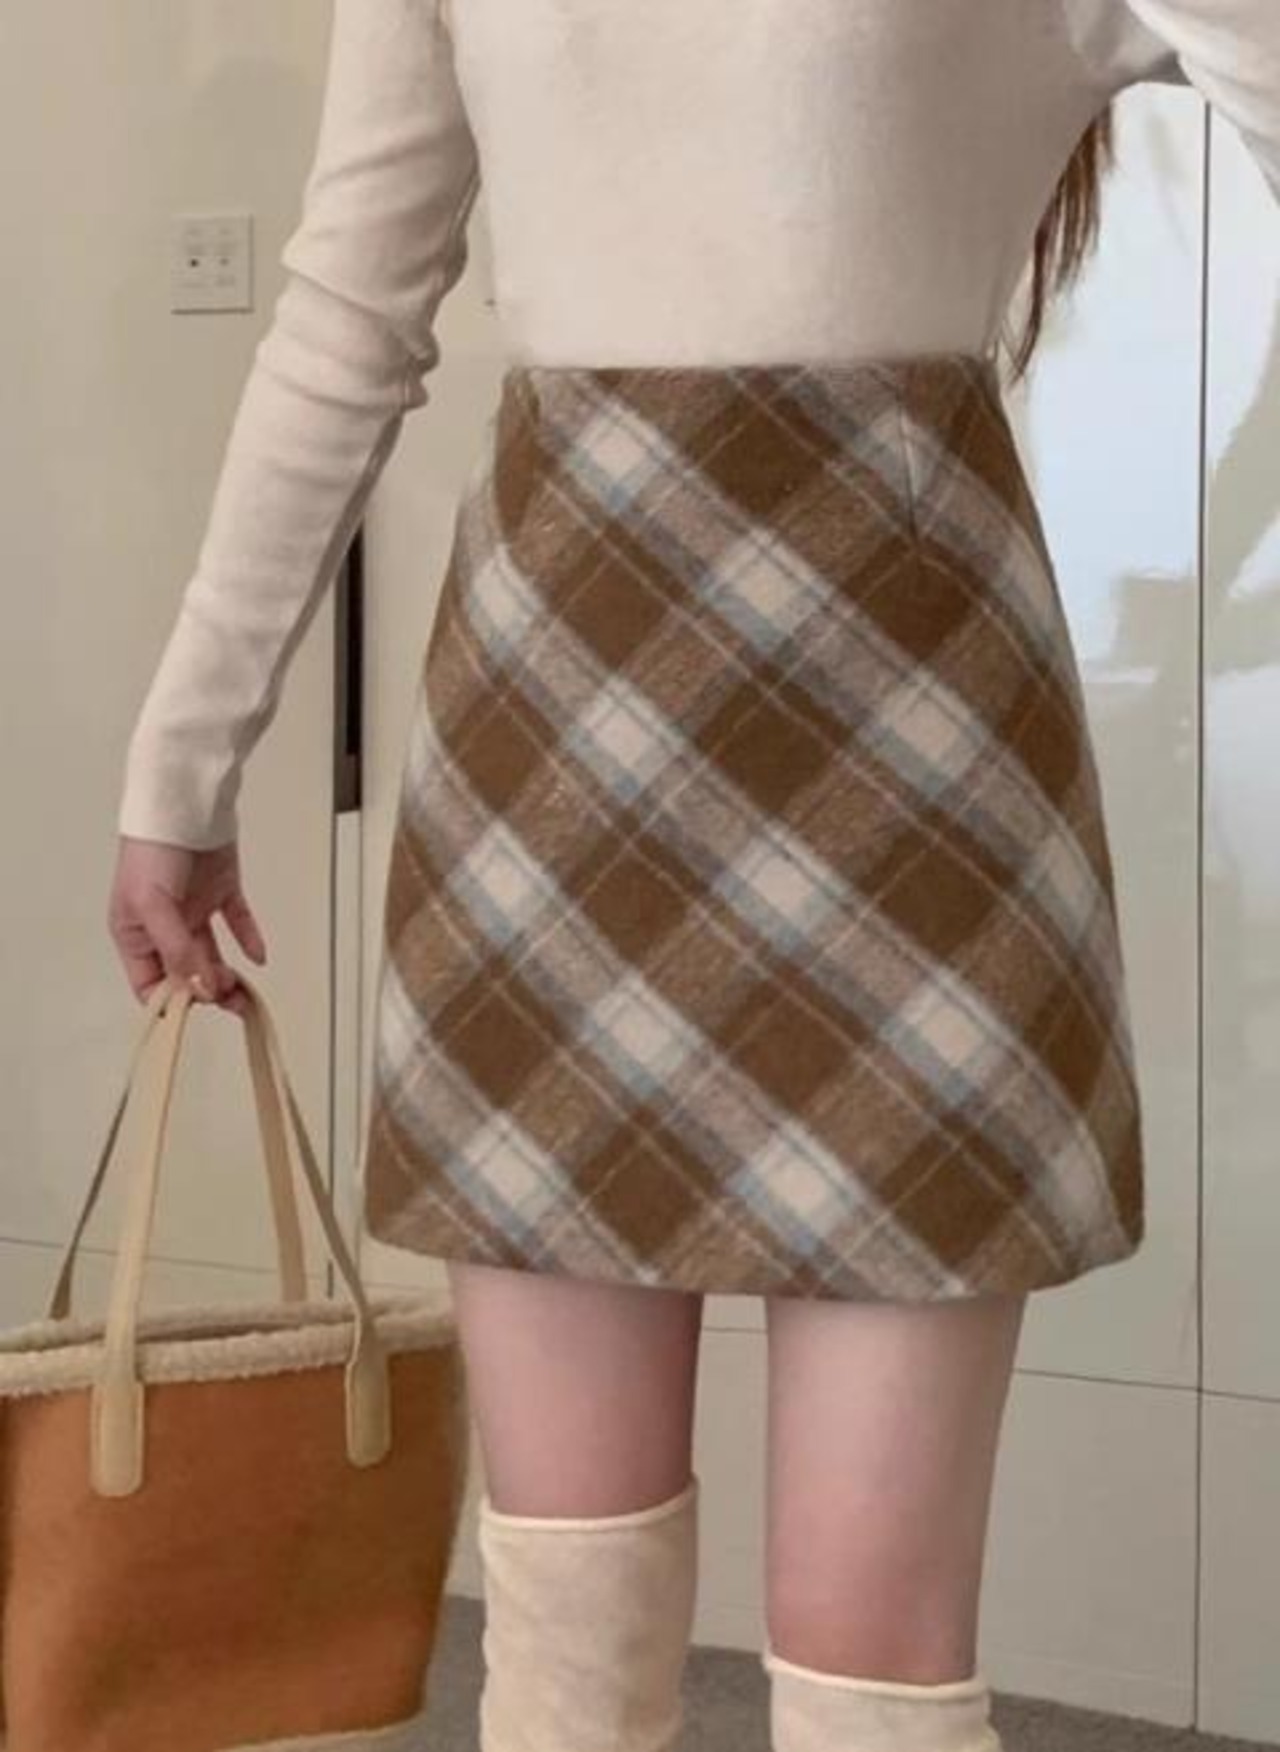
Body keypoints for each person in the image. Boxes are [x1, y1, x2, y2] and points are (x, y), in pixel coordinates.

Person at [107, 5, 1279, 1750]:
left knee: (876, 1670)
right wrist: (180, 764)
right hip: (549, 778)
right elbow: (347, 313)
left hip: (922, 795)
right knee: (566, 1634)